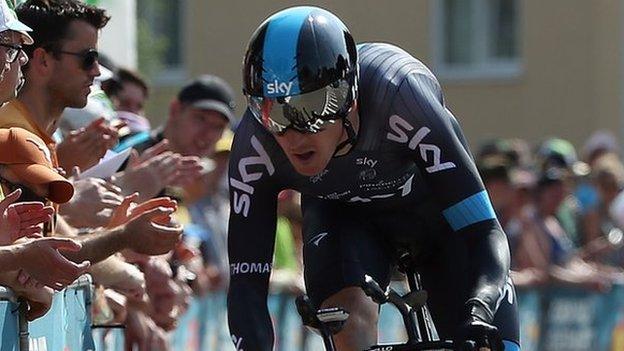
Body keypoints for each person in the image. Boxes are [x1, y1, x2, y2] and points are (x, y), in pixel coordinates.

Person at [227, 6, 518, 351]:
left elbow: (483, 231)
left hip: (437, 217)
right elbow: (247, 283)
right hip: (343, 215)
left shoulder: (400, 96)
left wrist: (480, 308)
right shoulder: (254, 145)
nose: (292, 133)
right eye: (272, 111)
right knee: (347, 321)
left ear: (348, 94)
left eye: (310, 108)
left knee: (488, 343)